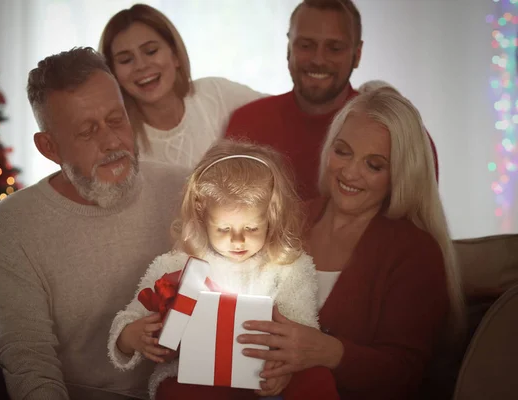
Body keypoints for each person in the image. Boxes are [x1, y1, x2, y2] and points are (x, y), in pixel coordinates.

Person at [0, 47, 188, 400]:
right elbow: (28, 356)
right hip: (73, 395)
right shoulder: (13, 223)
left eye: (116, 120)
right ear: (49, 147)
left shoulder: (184, 189)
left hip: (175, 390)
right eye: (87, 132)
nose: (112, 142)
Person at [236, 86, 464, 400]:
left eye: (374, 165)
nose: (350, 172)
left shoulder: (417, 253)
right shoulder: (288, 218)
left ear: (400, 174)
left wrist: (329, 352)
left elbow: (406, 377)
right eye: (343, 151)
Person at [107, 140, 340, 400]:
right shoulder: (177, 263)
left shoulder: (287, 267)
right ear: (202, 216)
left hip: (263, 372)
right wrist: (130, 336)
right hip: (193, 376)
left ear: (271, 217)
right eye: (224, 229)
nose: (238, 240)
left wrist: (283, 369)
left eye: (251, 228)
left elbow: (302, 330)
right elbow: (130, 317)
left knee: (316, 379)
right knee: (178, 392)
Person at [225, 0, 438, 201]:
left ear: (357, 54)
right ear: (289, 48)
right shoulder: (247, 125)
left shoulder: (399, 134)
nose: (318, 59)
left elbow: (415, 233)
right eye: (306, 45)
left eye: (334, 48)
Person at [99, 4, 264, 169]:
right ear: (113, 74)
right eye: (126, 60)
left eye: (151, 51)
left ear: (175, 55)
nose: (141, 65)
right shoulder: (118, 141)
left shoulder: (216, 92)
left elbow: (282, 112)